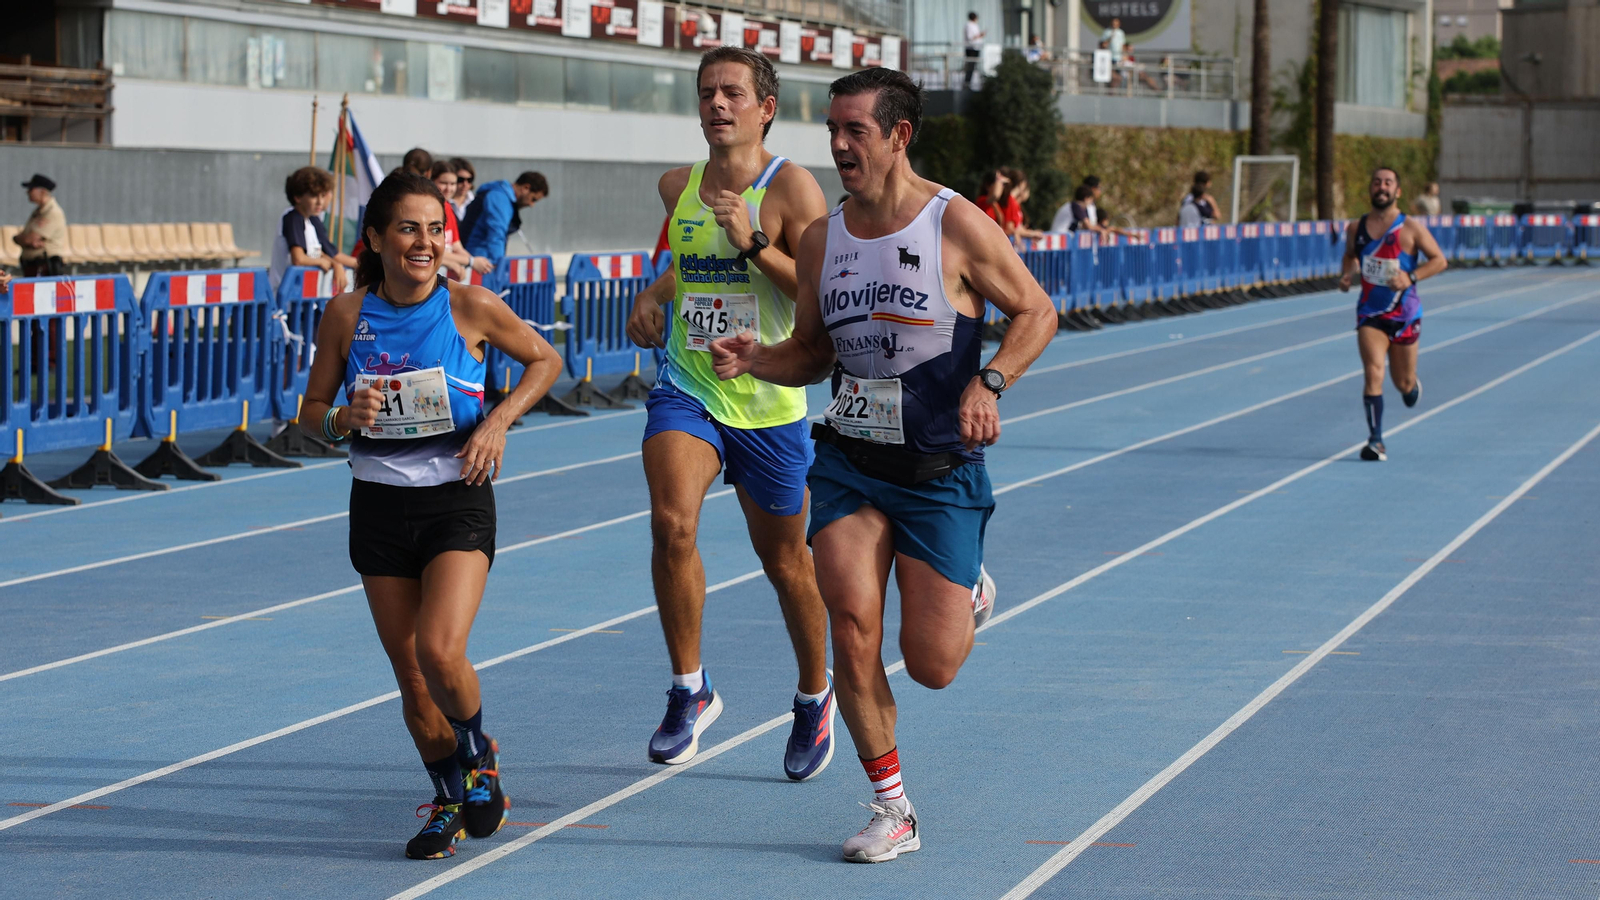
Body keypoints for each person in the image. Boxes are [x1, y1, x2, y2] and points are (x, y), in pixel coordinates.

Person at [708, 66, 1057, 863]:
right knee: (854, 629)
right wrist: (756, 360)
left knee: (933, 666)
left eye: (854, 130)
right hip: (851, 465)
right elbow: (810, 353)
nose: (837, 146)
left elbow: (1037, 310)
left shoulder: (955, 225)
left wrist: (990, 381)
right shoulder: (824, 240)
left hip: (939, 471)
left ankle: (967, 585)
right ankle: (891, 807)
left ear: (899, 135)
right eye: (831, 129)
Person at [299, 172, 563, 860]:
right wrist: (338, 418)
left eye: (435, 228)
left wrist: (499, 422)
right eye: (409, 228)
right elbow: (308, 414)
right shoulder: (345, 314)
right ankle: (448, 798)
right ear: (377, 239)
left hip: (456, 496)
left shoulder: (470, 306)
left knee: (438, 652)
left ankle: (479, 757)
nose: (425, 241)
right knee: (412, 680)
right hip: (379, 503)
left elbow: (545, 359)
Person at [622, 47, 835, 780]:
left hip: (771, 397)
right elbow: (689, 264)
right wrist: (654, 296)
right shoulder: (676, 185)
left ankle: (815, 695)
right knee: (671, 522)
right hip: (690, 383)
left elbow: (818, 293)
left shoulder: (793, 188)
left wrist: (753, 239)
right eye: (707, 92)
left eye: (732, 93)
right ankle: (691, 687)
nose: (717, 103)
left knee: (785, 563)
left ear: (764, 107)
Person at [1338, 166, 1447, 462]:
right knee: (1374, 372)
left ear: (1397, 192)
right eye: (1376, 182)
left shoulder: (1411, 228)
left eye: (1388, 183)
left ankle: (1411, 385)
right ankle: (1376, 441)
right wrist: (1347, 274)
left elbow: (1439, 260)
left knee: (1403, 383)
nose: (1381, 187)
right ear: (1370, 189)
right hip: (1370, 313)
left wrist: (1410, 277)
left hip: (1405, 315)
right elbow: (1349, 254)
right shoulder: (1355, 228)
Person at [271, 166, 357, 290]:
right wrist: (321, 262)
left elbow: (317, 253)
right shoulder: (293, 218)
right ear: (298, 197)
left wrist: (335, 264)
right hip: (287, 297)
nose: (320, 202)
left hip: (303, 297)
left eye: (323, 196)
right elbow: (299, 259)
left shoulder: (309, 221)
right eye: (314, 196)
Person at [460, 172, 547, 276]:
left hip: (477, 259)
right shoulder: (500, 198)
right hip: (479, 262)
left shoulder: (499, 194)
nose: (532, 205)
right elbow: (496, 234)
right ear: (525, 188)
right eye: (533, 199)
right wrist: (499, 267)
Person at [428, 162, 478, 281]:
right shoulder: (429, 208)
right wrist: (471, 261)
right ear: (432, 181)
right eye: (443, 183)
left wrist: (474, 263)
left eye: (453, 184)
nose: (448, 189)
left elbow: (456, 246)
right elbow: (432, 250)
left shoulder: (448, 207)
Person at [14, 174, 67, 277]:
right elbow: (22, 238)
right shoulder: (38, 212)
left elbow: (28, 239)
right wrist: (20, 238)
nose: (28, 192)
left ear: (42, 191)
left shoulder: (52, 212)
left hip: (45, 267)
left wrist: (24, 239)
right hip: (32, 266)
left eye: (31, 189)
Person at [962, 12, 984, 89]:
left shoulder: (975, 25)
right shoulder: (969, 25)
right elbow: (970, 37)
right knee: (970, 66)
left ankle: (969, 83)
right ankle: (966, 83)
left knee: (973, 67)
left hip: (976, 48)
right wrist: (979, 36)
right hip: (971, 48)